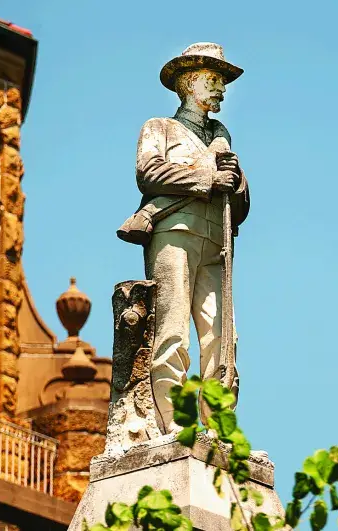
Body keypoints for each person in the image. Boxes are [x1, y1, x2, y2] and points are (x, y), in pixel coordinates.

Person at [117, 43, 250, 434]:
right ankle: (175, 423)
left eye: (222, 82)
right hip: (174, 232)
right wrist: (207, 177)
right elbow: (149, 172)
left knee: (223, 338)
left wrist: (236, 181)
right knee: (172, 330)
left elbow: (240, 204)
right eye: (214, 80)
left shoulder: (222, 137)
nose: (221, 89)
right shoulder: (159, 127)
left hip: (217, 242)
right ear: (190, 83)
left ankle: (220, 424)